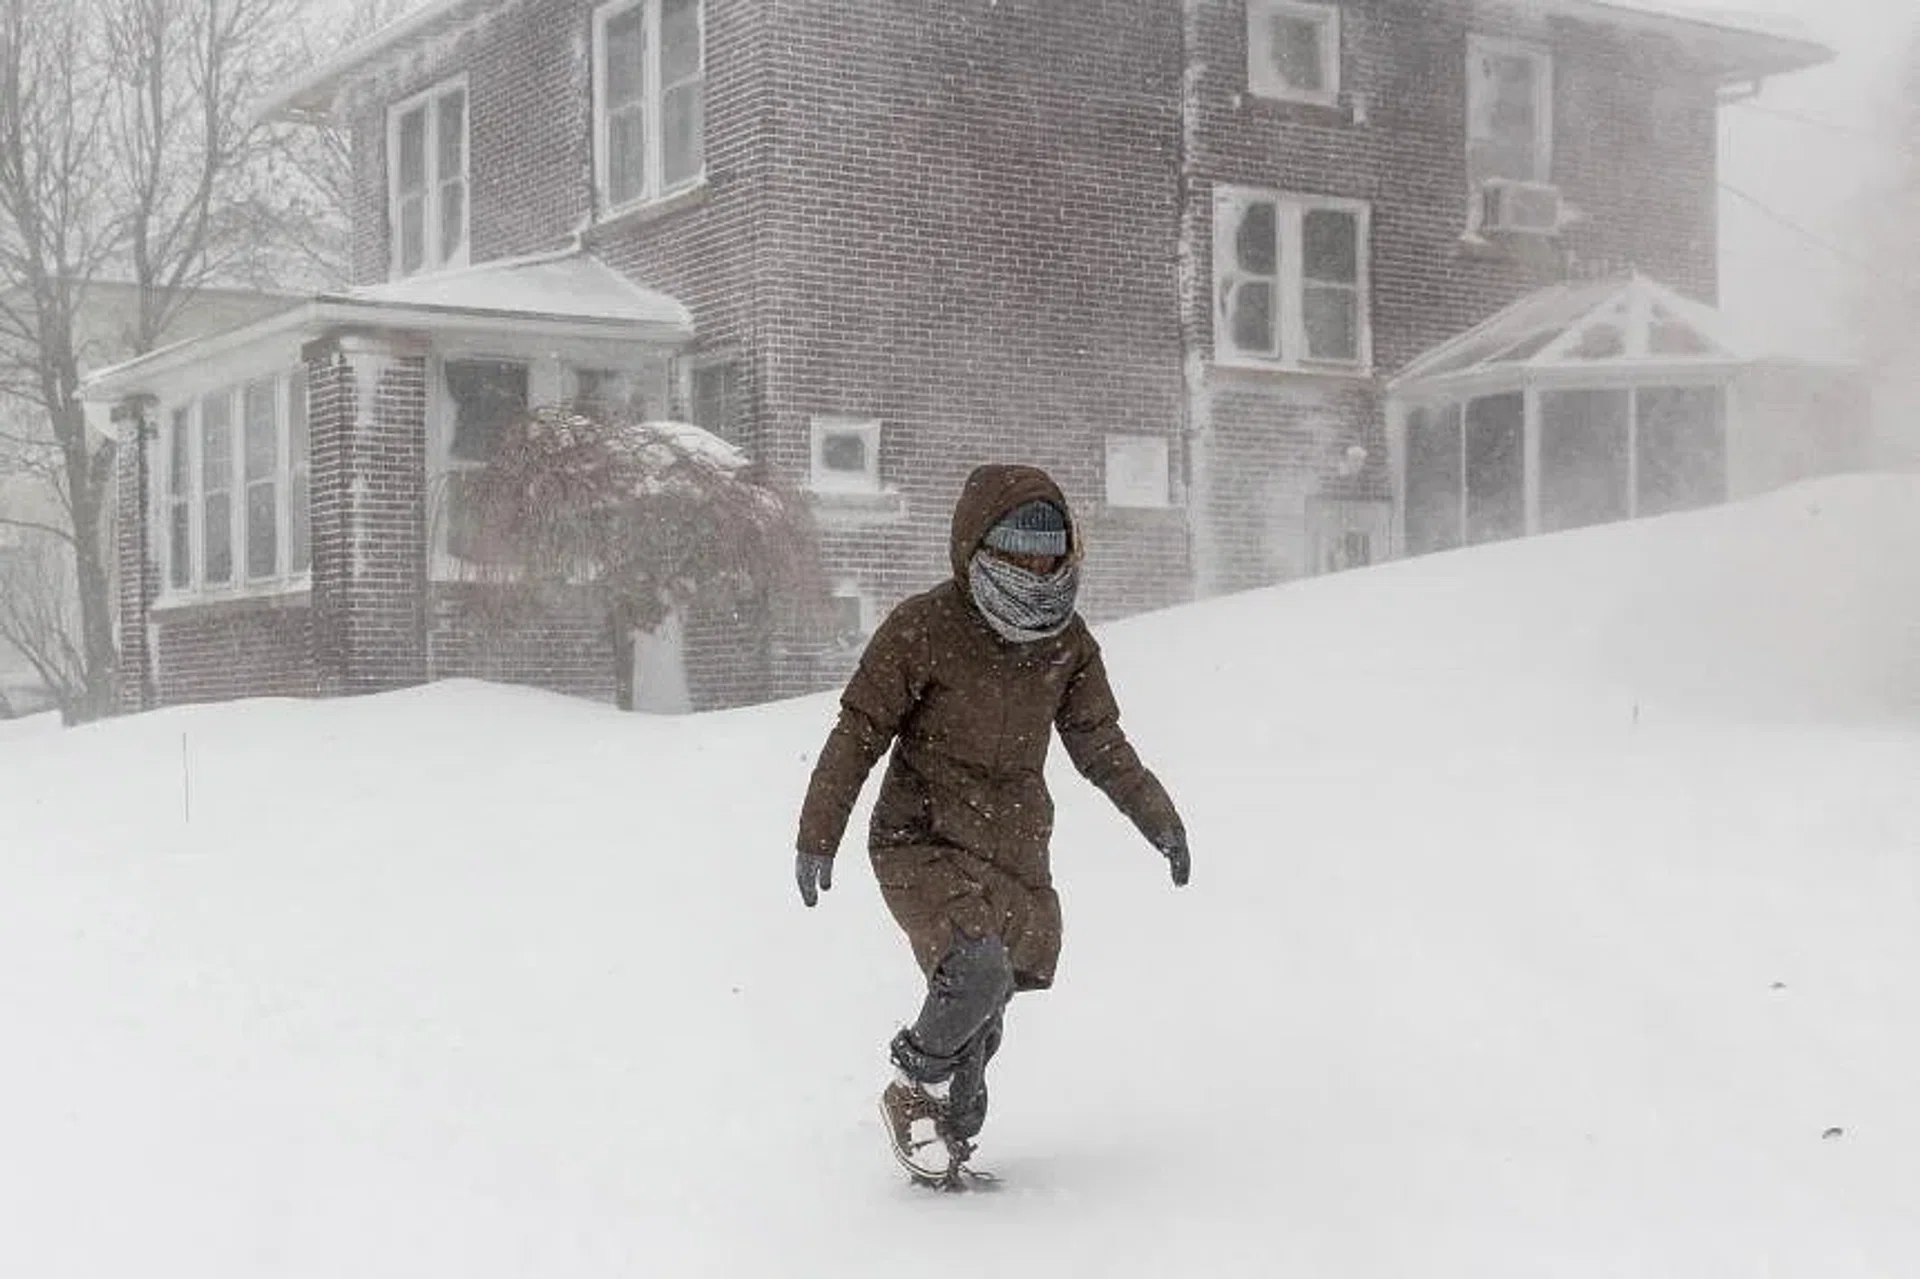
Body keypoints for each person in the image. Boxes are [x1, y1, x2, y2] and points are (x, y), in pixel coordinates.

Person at [794, 462, 1190, 1186]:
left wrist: (1156, 815)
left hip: (1009, 847)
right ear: (979, 547)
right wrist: (819, 831)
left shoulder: (1066, 643)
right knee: (975, 972)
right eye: (1018, 550)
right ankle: (910, 1087)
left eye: (1049, 550)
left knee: (979, 1046)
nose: (1036, 566)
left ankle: (944, 1166)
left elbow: (1100, 743)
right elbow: (859, 730)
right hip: (921, 840)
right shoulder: (923, 628)